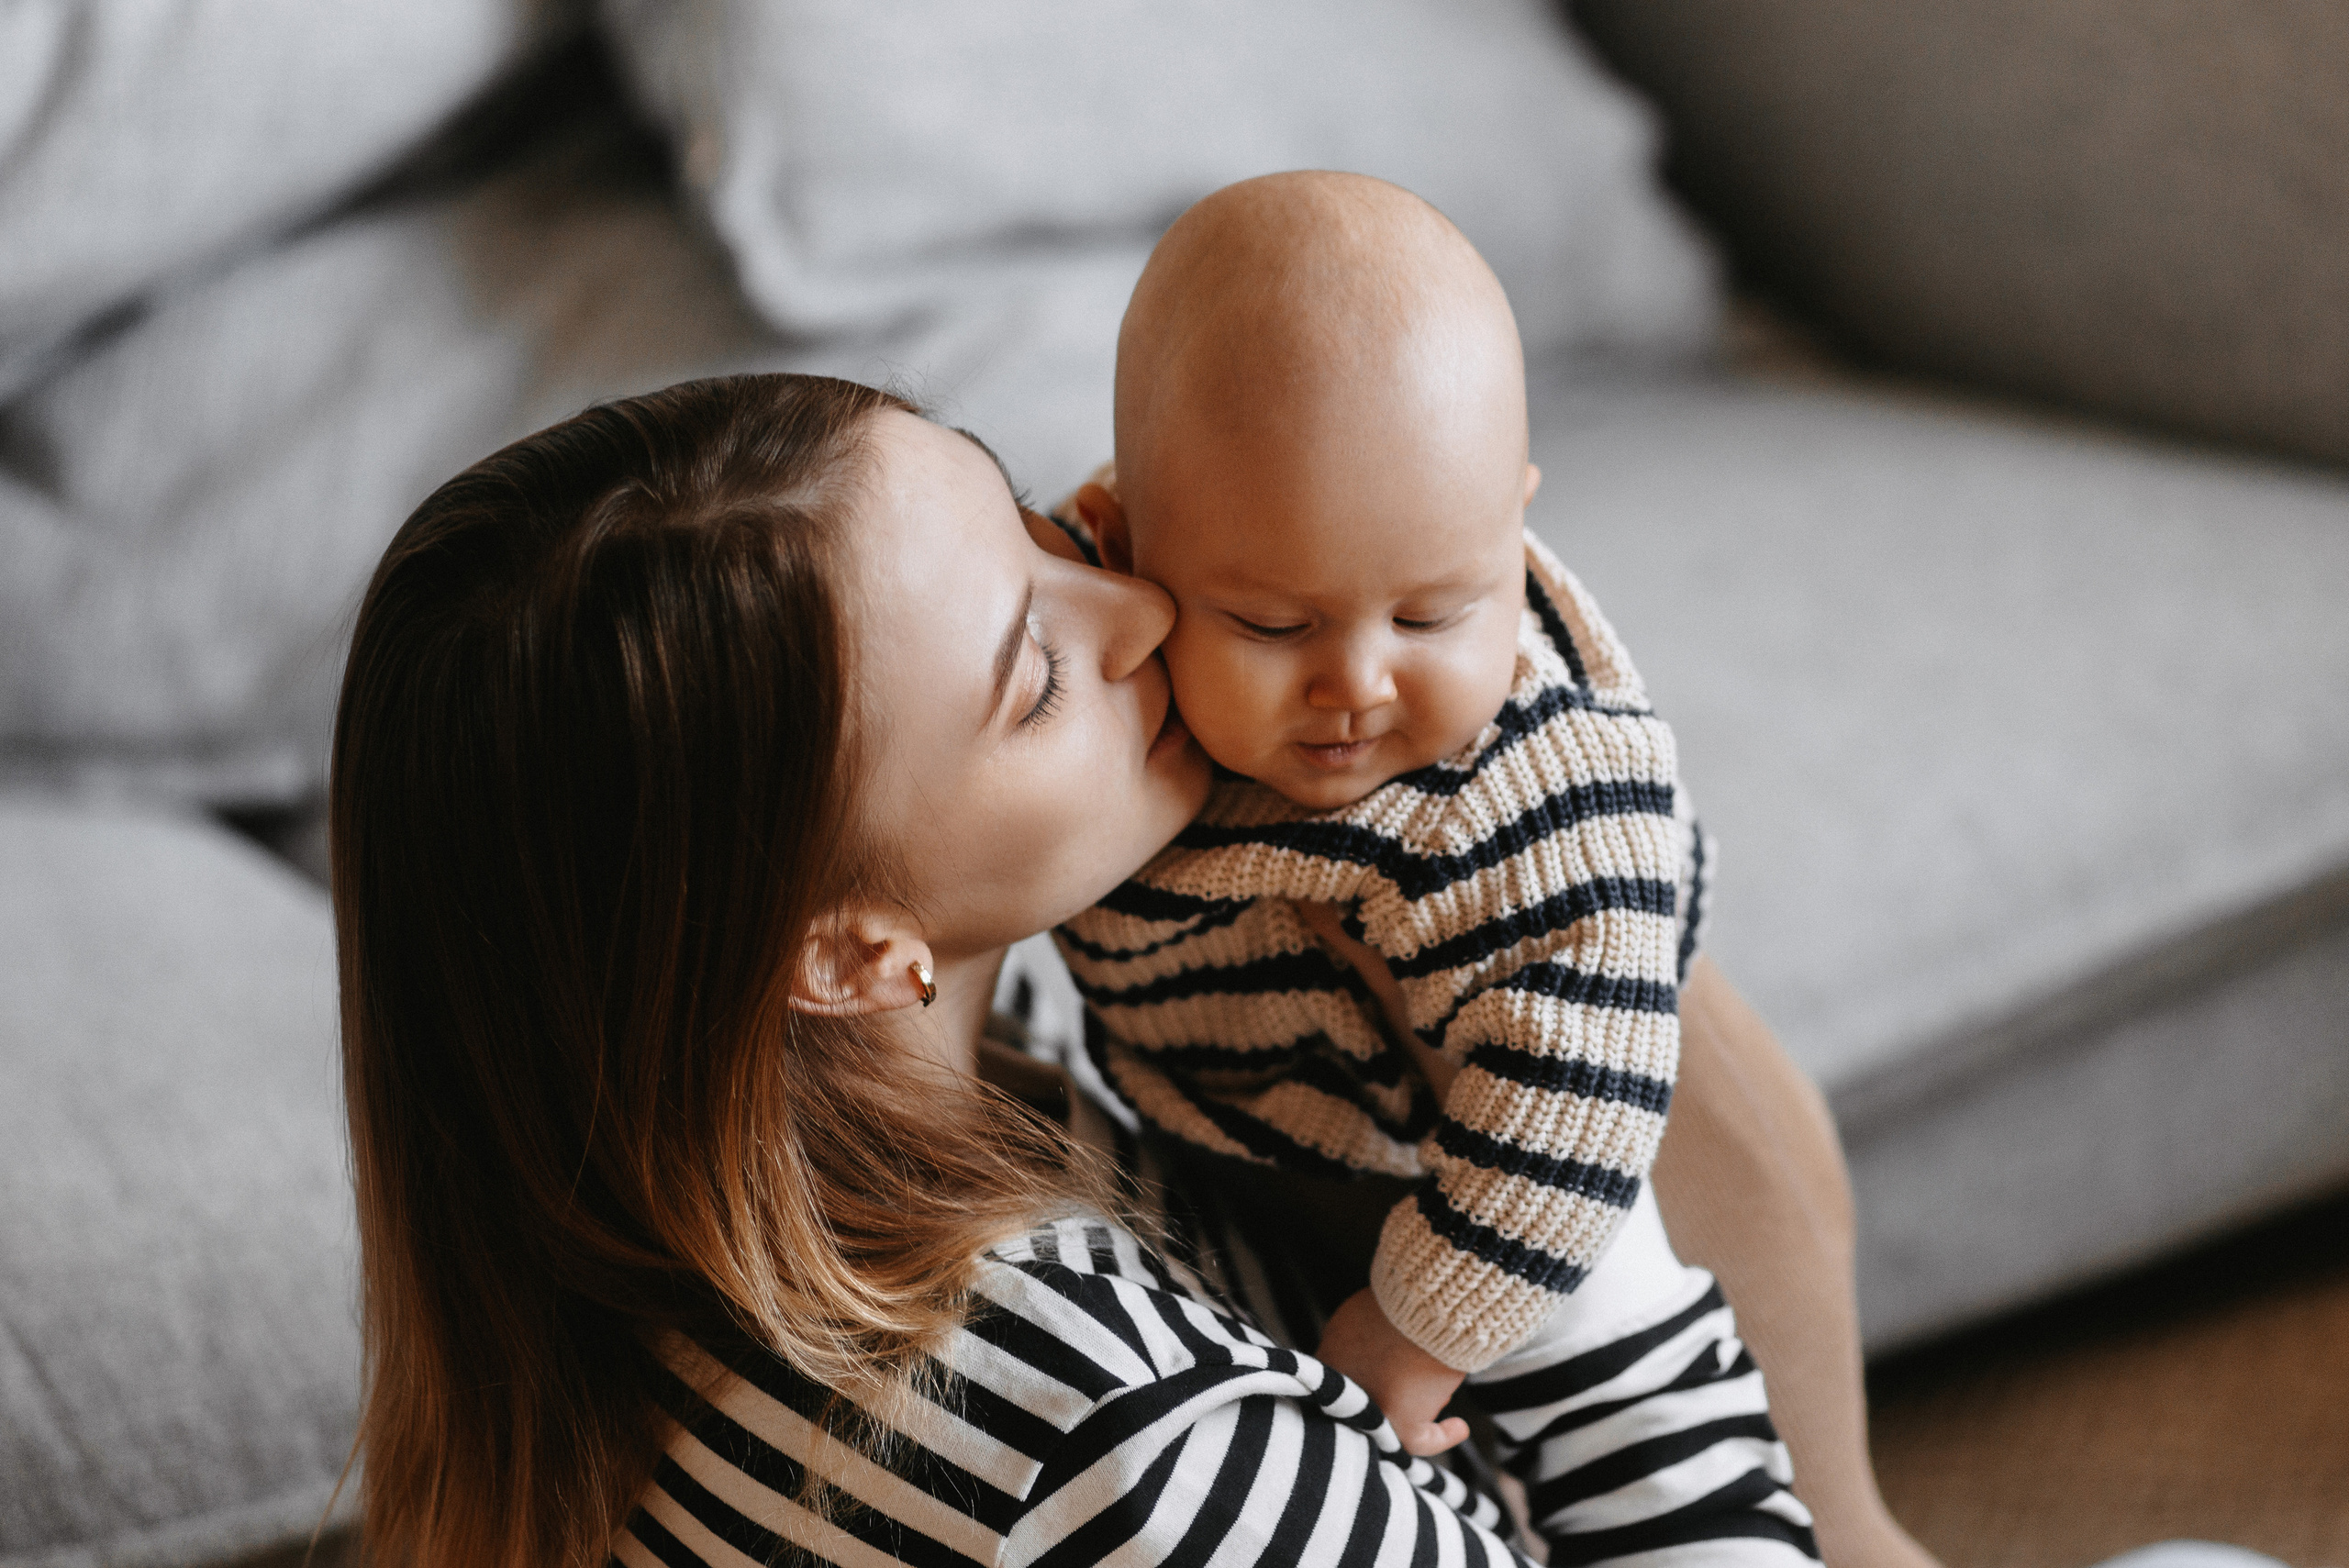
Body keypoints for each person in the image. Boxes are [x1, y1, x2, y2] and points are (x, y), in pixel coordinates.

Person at [333, 372, 1932, 1568]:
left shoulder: (633, 1230)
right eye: (1033, 676)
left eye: (1037, 525)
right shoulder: (1111, 1437)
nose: (1142, 604)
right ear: (849, 953)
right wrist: (1562, 1136)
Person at [1052, 172, 1705, 1459]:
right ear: (1125, 550)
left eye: (1430, 614)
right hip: (1249, 1123)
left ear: (1512, 524)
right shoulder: (1085, 617)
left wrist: (1415, 1328)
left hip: (1522, 1167)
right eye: (1274, 624)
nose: (1356, 684)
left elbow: (1574, 1108)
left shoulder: (1530, 802)